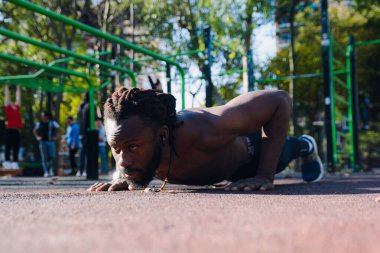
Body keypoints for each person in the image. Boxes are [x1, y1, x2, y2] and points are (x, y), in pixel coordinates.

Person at [89, 88, 323, 192]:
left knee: (285, 152)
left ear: (162, 136)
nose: (122, 160)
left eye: (131, 147)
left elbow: (279, 100)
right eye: (115, 148)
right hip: (223, 171)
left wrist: (264, 174)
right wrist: (123, 177)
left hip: (251, 154)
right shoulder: (135, 145)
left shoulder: (206, 128)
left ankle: (306, 145)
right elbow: (125, 149)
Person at [33, 111, 60, 177]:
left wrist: (56, 136)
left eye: (43, 115)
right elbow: (34, 130)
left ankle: (52, 171)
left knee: (52, 156)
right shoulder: (39, 123)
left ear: (47, 117)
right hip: (42, 142)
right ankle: (46, 171)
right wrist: (37, 137)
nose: (42, 117)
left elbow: (59, 129)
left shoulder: (53, 123)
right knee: (44, 157)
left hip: (51, 142)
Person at [2, 85, 23, 169]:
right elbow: (7, 98)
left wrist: (18, 88)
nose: (9, 101)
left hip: (16, 130)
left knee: (16, 146)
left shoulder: (16, 107)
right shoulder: (8, 108)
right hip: (9, 130)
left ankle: (15, 162)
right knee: (8, 146)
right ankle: (7, 161)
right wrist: (6, 87)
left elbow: (18, 99)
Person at [77, 92, 90, 177]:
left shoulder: (80, 107)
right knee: (87, 152)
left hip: (81, 132)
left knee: (82, 152)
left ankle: (80, 170)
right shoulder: (90, 106)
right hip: (88, 131)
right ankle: (85, 170)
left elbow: (79, 120)